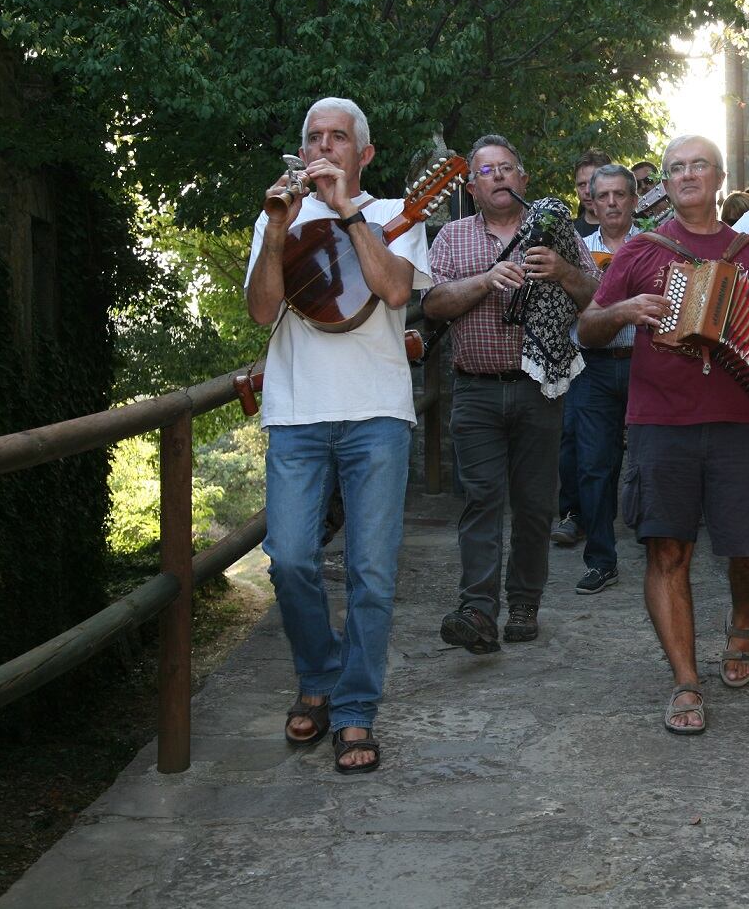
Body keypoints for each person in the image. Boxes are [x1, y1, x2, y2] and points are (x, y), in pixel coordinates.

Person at [578, 134, 749, 734]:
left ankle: (743, 618)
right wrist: (624, 312)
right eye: (675, 168)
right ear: (666, 184)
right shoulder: (641, 252)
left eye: (697, 165)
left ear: (719, 176)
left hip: (736, 425)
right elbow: (588, 327)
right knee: (666, 548)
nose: (685, 174)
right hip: (659, 422)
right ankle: (685, 681)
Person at [246, 97, 431, 774]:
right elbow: (263, 309)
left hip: (377, 413)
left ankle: (353, 711)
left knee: (371, 572)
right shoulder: (276, 217)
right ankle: (318, 674)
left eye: (339, 138)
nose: (324, 147)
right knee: (290, 558)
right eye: (313, 137)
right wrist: (275, 231)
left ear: (364, 153)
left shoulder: (393, 217)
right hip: (296, 414)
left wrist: (348, 209)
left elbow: (391, 292)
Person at [424, 134, 598, 654]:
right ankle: (477, 609)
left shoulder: (556, 229)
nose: (497, 176)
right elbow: (433, 304)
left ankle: (524, 602)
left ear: (522, 178)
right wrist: (486, 279)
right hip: (475, 392)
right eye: (486, 171)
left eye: (506, 168)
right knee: (481, 500)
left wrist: (561, 270)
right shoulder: (453, 239)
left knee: (533, 505)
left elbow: (595, 297)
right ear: (472, 187)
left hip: (540, 387)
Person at [570, 164, 642, 595]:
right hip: (592, 366)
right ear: (590, 202)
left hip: (645, 361)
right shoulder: (575, 251)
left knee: (651, 460)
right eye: (604, 196)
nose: (612, 203)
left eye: (621, 194)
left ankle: (661, 548)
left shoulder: (653, 247)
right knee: (594, 465)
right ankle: (601, 559)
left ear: (634, 200)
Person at [555, 148, 615, 548]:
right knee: (575, 441)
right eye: (583, 185)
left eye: (599, 184)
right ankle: (575, 515)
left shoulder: (641, 236)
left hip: (630, 351)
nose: (592, 194)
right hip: (580, 354)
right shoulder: (569, 237)